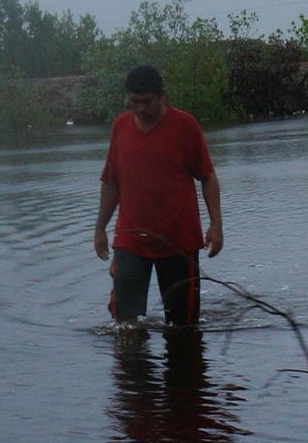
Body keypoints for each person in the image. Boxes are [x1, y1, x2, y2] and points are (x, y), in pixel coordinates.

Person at [94, 65, 223, 326]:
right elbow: (111, 183)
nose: (140, 108)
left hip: (179, 240)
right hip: (131, 239)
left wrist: (216, 225)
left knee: (183, 326)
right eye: (134, 102)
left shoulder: (185, 126)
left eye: (147, 101)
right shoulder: (121, 127)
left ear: (161, 96)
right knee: (124, 322)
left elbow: (207, 177)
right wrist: (100, 229)